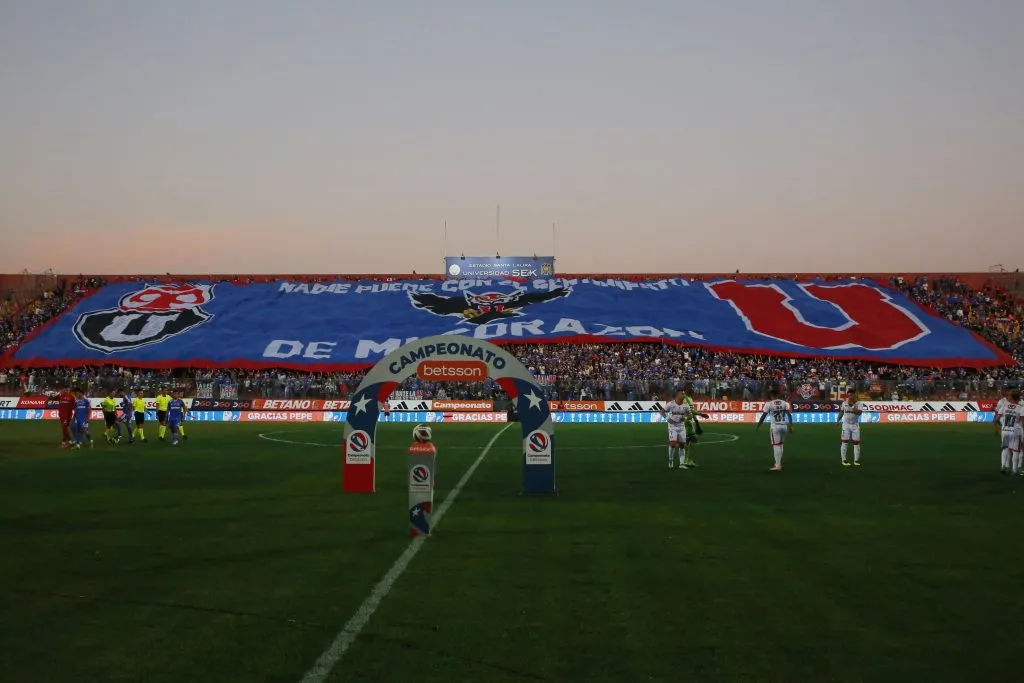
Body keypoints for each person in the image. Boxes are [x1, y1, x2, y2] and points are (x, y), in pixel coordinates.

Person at [756, 389, 793, 471]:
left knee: (776, 445)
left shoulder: (769, 404)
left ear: (771, 395)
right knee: (781, 444)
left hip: (775, 426)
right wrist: (790, 425)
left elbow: (763, 416)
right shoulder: (785, 403)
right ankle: (779, 462)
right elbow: (789, 414)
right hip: (784, 425)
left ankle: (778, 465)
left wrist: (759, 425)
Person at [661, 386, 694, 469]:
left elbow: (690, 415)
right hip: (672, 426)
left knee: (682, 445)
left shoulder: (686, 405)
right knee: (673, 444)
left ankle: (681, 464)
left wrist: (685, 418)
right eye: (682, 393)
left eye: (684, 393)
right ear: (677, 394)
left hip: (681, 426)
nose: (684, 394)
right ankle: (670, 460)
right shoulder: (671, 404)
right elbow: (662, 411)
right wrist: (667, 418)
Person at [680, 386, 710, 468]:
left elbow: (691, 412)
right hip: (685, 422)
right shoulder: (685, 398)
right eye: (690, 389)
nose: (692, 390)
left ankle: (688, 461)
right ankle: (685, 461)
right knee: (689, 441)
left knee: (691, 441)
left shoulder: (689, 398)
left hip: (689, 422)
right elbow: (690, 411)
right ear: (687, 390)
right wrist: (701, 414)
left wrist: (696, 421)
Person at [996, 391, 1022, 475]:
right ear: (1018, 398)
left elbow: (997, 419)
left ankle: (1003, 466)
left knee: (1005, 449)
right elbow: (1022, 421)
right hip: (1015, 430)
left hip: (1005, 430)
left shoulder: (1004, 406)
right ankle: (1014, 470)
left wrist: (999, 428)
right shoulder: (1020, 408)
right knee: (1015, 451)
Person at [838, 392, 867, 467]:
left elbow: (859, 413)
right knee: (845, 442)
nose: (850, 396)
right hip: (846, 425)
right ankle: (844, 460)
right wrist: (838, 420)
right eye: (849, 395)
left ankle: (856, 460)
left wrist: (851, 407)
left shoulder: (859, 404)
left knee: (856, 443)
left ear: (854, 395)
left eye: (851, 395)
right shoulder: (844, 403)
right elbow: (841, 412)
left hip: (855, 425)